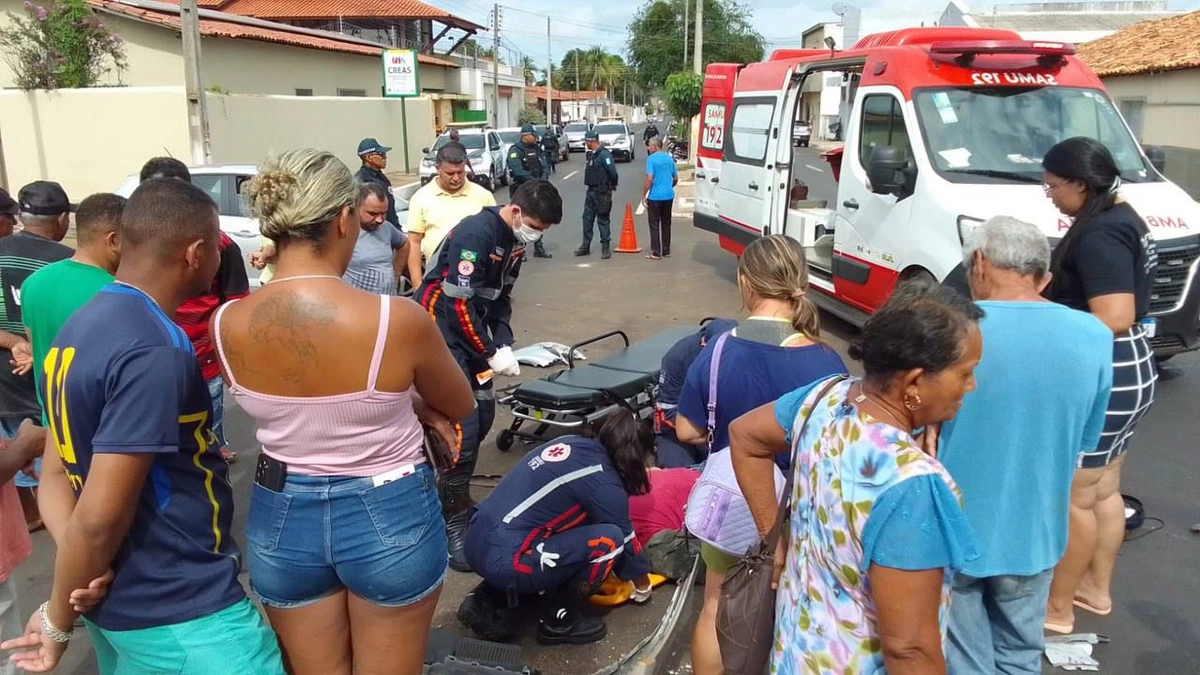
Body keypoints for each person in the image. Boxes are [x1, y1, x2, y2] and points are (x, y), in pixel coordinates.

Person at [2, 177, 284, 674]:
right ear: (196, 253)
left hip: (117, 608)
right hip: (181, 609)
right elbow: (98, 517)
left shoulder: (78, 326)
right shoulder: (153, 346)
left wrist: (79, 572)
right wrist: (57, 619)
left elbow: (55, 473)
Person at [214, 148, 475, 675]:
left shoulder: (227, 323)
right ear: (341, 219)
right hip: (389, 508)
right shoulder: (394, 320)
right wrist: (414, 403)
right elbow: (460, 404)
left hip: (281, 513)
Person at [731, 281, 984, 675]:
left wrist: (773, 539)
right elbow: (910, 649)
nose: (972, 386)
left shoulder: (824, 399)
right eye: (965, 372)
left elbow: (744, 435)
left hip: (796, 657)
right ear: (914, 383)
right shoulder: (911, 486)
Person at [940, 216, 1113, 672]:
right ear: (1045, 277)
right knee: (1020, 655)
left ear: (979, 262)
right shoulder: (1095, 335)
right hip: (1037, 531)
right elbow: (1085, 440)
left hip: (956, 529)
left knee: (963, 657)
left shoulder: (951, 331)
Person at [676, 235, 847, 675]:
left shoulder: (716, 349)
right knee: (782, 613)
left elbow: (686, 429)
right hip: (792, 514)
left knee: (715, 604)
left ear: (746, 281)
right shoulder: (825, 363)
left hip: (730, 500)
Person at [1041, 137, 1158, 633]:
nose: (1047, 194)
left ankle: (1059, 608)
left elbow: (1114, 314)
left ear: (1081, 185)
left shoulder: (1099, 234)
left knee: (1076, 498)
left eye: (1052, 186)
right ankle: (1094, 590)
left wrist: (1041, 313)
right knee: (1106, 489)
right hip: (1132, 368)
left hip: (1105, 371)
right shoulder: (1121, 214)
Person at [416, 179, 562, 572]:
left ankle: (454, 496)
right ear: (515, 212)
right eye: (534, 225)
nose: (536, 234)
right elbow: (455, 304)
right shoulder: (475, 234)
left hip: (473, 331)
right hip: (441, 329)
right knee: (460, 421)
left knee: (482, 413)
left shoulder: (514, 242)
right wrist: (489, 350)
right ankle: (452, 522)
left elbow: (501, 299)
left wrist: (504, 342)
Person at [457, 410, 656, 645]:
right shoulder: (604, 481)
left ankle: (486, 598)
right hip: (506, 560)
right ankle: (560, 620)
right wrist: (643, 587)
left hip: (475, 539)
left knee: (552, 524)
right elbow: (626, 542)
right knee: (608, 541)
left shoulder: (569, 443)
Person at [136, 158, 250, 464]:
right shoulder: (127, 246)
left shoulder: (221, 247)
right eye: (158, 192)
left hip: (202, 358)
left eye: (176, 191)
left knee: (206, 431)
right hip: (148, 358)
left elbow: (235, 304)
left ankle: (215, 449)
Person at [0, 181, 73, 532]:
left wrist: (12, 342)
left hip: (5, 380)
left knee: (19, 447)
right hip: (53, 380)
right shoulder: (68, 264)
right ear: (61, 219)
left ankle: (32, 515)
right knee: (59, 459)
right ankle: (62, 521)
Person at [21, 193, 124, 436]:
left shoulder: (34, 282)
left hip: (53, 423)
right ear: (114, 240)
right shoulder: (116, 292)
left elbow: (35, 345)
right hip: (100, 429)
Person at [406, 144, 497, 284]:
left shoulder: (483, 196)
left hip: (475, 282)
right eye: (449, 173)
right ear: (437, 169)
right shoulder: (421, 198)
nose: (456, 178)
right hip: (436, 281)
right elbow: (414, 242)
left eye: (460, 172)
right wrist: (418, 284)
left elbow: (496, 239)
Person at [653, 318, 738, 468]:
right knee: (677, 476)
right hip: (678, 431)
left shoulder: (742, 356)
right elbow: (667, 410)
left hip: (721, 429)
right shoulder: (678, 357)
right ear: (704, 345)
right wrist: (708, 435)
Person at [343, 182, 409, 295]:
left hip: (387, 303)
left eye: (384, 214)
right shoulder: (345, 232)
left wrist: (397, 272)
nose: (379, 220)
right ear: (356, 207)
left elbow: (404, 243)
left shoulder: (386, 228)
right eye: (373, 213)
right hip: (357, 304)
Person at [507, 124, 552, 259]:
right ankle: (519, 251)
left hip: (536, 189)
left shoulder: (537, 149)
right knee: (519, 220)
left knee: (538, 217)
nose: (535, 137)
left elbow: (544, 166)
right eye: (533, 134)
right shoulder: (515, 150)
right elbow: (517, 170)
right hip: (520, 188)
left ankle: (539, 248)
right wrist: (533, 181)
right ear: (525, 136)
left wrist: (542, 181)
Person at [574, 130, 619, 259]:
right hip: (591, 192)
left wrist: (613, 184)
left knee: (603, 220)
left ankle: (605, 248)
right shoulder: (593, 155)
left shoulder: (604, 155)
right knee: (587, 219)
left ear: (591, 141)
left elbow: (613, 172)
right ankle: (585, 246)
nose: (586, 144)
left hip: (602, 192)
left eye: (586, 142)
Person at [642, 137, 677, 260]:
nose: (648, 148)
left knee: (654, 223)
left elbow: (650, 178)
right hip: (668, 195)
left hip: (655, 197)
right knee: (666, 223)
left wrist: (644, 194)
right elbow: (675, 178)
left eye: (650, 146)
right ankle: (666, 250)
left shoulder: (651, 159)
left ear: (655, 146)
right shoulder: (669, 158)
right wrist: (668, 187)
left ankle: (656, 252)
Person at [355, 137, 400, 228]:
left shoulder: (381, 177)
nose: (385, 157)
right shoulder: (362, 181)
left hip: (390, 230)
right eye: (381, 154)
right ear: (368, 157)